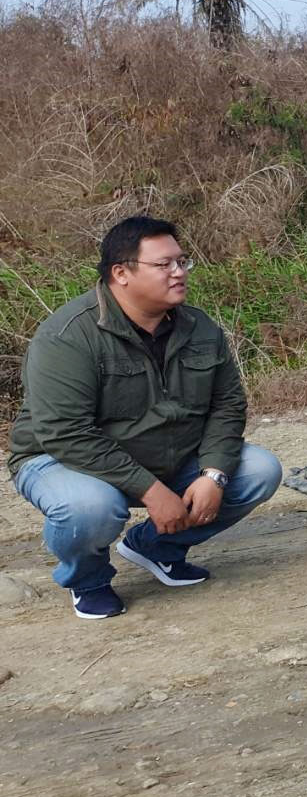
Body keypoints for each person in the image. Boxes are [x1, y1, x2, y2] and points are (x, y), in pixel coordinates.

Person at [8, 216, 283, 619]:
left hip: (166, 455)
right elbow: (65, 433)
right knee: (90, 509)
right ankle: (88, 579)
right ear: (121, 273)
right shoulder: (68, 336)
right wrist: (153, 492)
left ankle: (154, 547)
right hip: (62, 459)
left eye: (182, 261)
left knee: (259, 470)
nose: (179, 272)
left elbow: (227, 406)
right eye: (163, 264)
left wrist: (213, 474)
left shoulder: (200, 328)